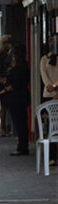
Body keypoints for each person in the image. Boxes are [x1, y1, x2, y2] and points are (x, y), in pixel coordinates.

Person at [0, 44, 30, 156]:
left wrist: (6, 87)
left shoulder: (17, 68)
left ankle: (22, 147)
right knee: (22, 122)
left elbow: (15, 84)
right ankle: (23, 145)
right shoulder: (24, 66)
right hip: (22, 96)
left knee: (19, 123)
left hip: (16, 98)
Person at [40, 34, 58, 167]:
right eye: (52, 41)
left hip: (56, 91)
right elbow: (44, 76)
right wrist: (51, 89)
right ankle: (52, 156)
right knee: (51, 126)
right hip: (48, 94)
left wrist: (56, 86)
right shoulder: (44, 59)